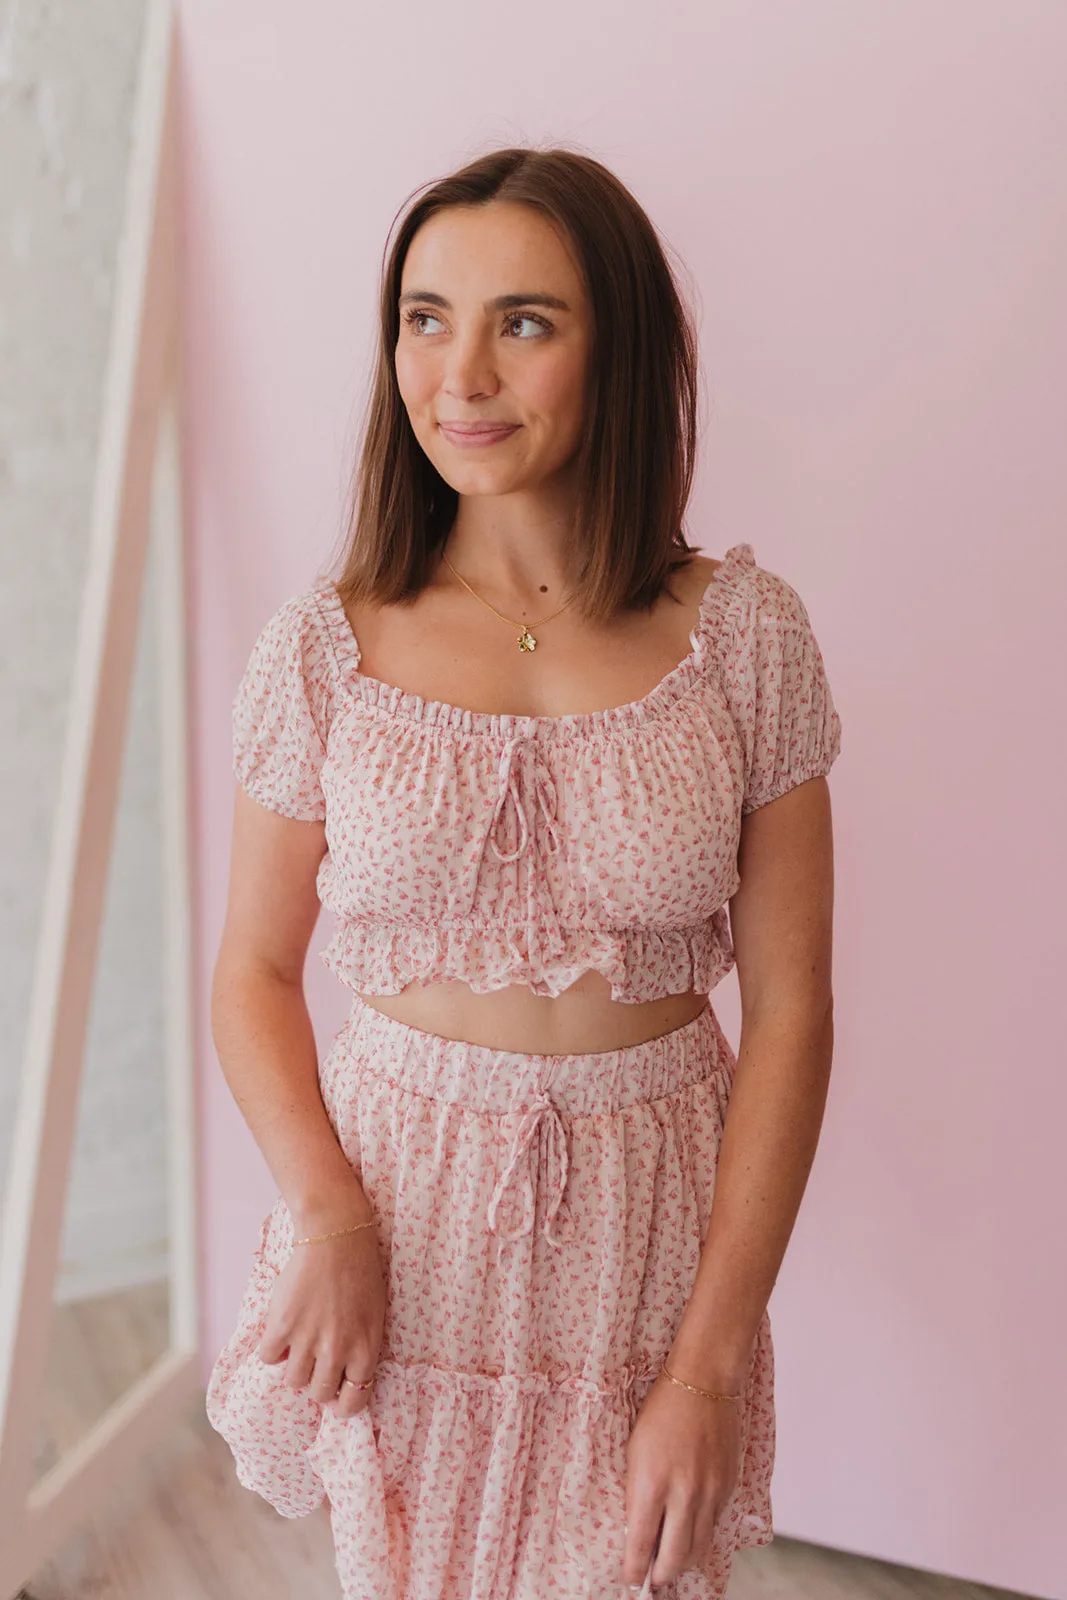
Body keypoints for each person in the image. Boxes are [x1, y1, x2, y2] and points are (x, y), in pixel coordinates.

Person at [205, 145, 842, 1600]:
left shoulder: (743, 637)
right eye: (424, 317)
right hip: (395, 1212)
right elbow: (249, 971)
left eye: (524, 322)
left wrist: (709, 1361)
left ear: (616, 348)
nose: (462, 374)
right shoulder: (326, 642)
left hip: (646, 1231)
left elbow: (793, 1014)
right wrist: (328, 1214)